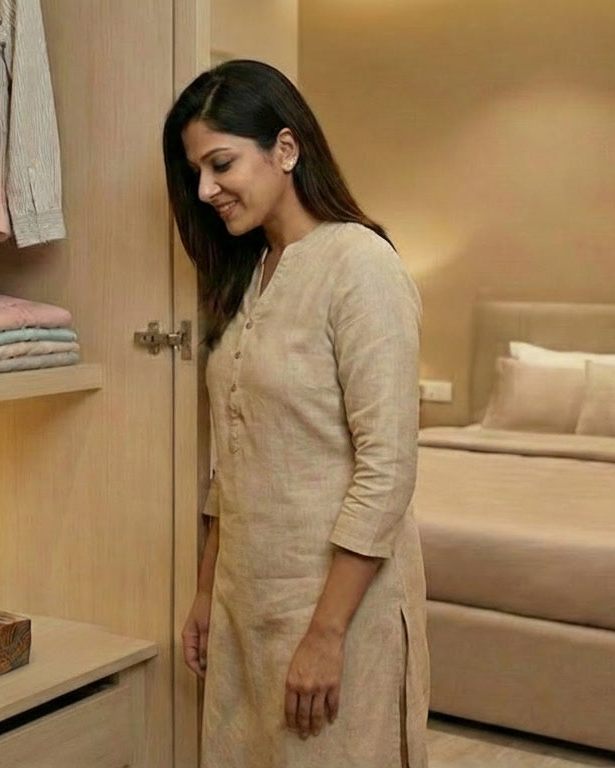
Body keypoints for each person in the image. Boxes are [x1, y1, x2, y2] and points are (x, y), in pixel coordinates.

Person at [162, 60, 430, 768]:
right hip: (246, 599)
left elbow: (387, 469)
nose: (205, 190)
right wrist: (206, 592)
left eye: (221, 164)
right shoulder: (248, 273)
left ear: (285, 148)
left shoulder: (360, 267)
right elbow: (237, 454)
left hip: (335, 607)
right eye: (196, 172)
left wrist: (327, 634)